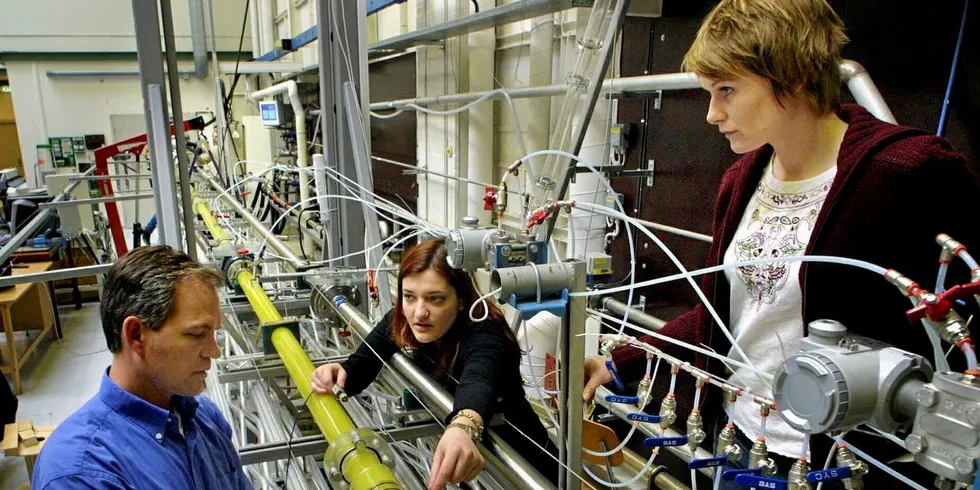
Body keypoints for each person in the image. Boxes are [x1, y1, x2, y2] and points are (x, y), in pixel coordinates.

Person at [582, 0, 980, 486]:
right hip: (743, 438)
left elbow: (965, 313)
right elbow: (729, 314)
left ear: (791, 77)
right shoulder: (741, 179)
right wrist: (626, 357)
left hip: (854, 463)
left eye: (727, 90)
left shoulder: (905, 173)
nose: (712, 114)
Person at [311, 238, 558, 489]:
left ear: (460, 299)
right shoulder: (408, 316)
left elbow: (478, 380)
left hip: (525, 467)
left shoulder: (486, 333)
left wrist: (463, 426)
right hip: (471, 465)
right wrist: (343, 372)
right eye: (409, 296)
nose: (419, 312)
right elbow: (368, 357)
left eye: (436, 299)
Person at [32, 246, 253, 490]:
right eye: (197, 334)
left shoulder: (206, 418)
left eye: (213, 334)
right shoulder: (80, 473)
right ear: (136, 335)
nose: (214, 351)